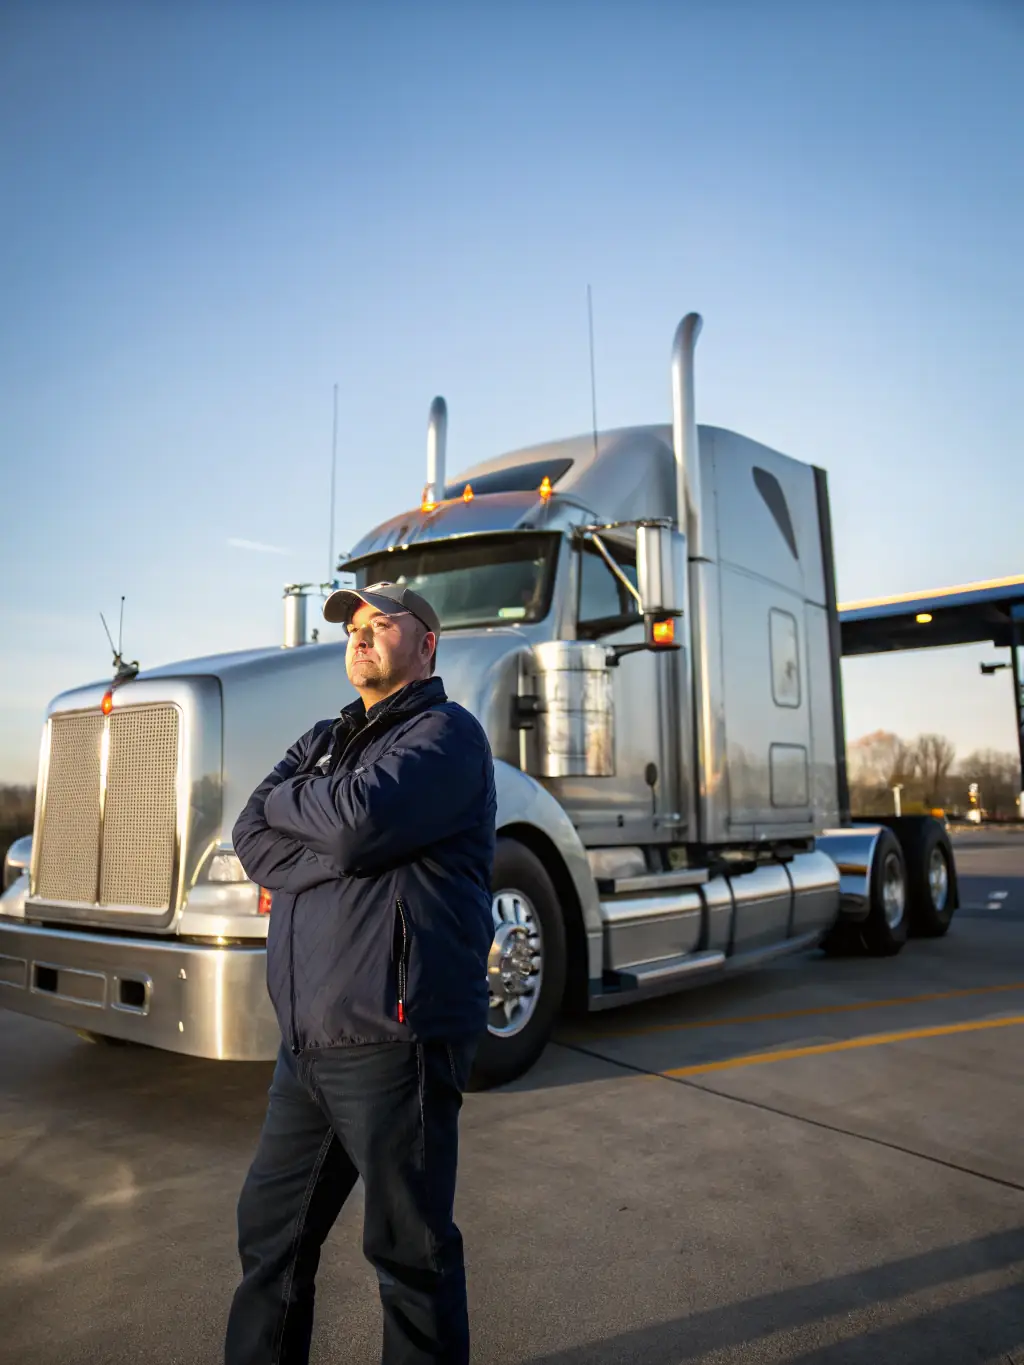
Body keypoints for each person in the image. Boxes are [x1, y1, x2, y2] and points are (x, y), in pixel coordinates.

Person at [225, 581, 497, 1365]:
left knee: (409, 1254)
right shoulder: (325, 737)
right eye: (353, 624)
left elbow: (354, 829)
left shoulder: (448, 736)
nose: (362, 635)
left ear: (427, 644)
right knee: (269, 1237)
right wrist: (333, 836)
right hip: (307, 1040)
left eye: (383, 623)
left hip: (393, 1035)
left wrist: (319, 826)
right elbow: (253, 830)